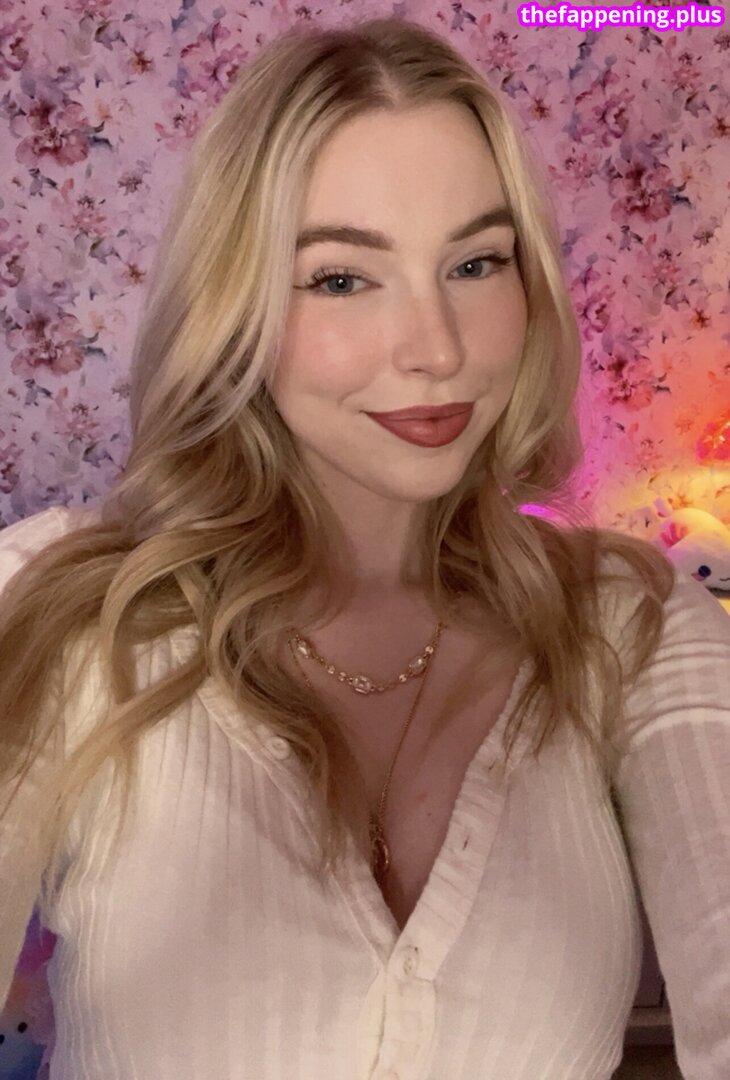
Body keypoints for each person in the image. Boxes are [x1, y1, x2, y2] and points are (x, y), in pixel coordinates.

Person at [0, 15, 728, 1080]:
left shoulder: (634, 624)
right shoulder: (55, 601)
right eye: (341, 278)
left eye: (476, 263)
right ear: (236, 305)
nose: (436, 348)